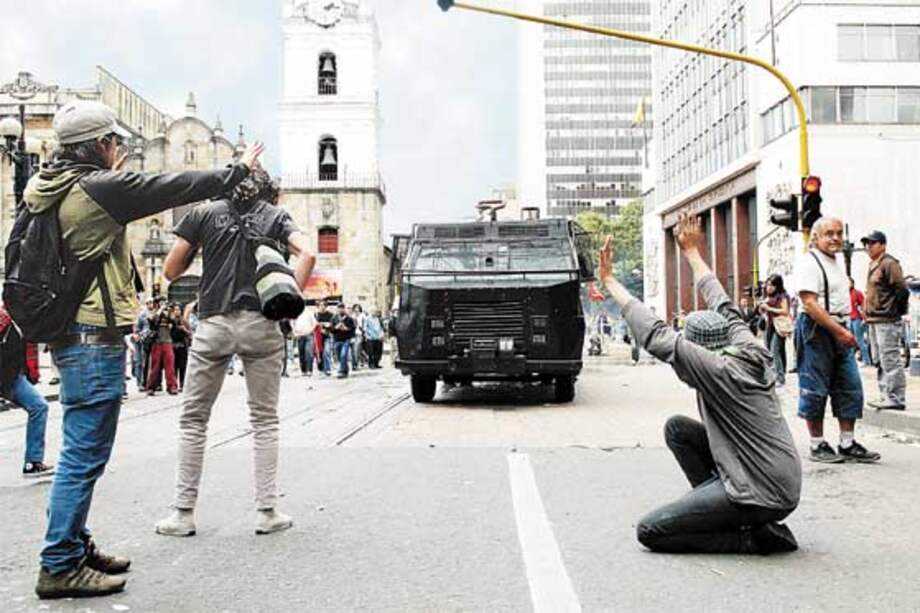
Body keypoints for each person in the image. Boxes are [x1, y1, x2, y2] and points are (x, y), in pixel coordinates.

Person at [26, 99, 262, 600]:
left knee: (81, 451)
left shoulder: (53, 184)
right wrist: (236, 171)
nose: (119, 149)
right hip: (92, 337)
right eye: (114, 141)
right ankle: (59, 563)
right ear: (99, 145)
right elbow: (170, 186)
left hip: (75, 334)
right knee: (84, 454)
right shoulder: (96, 188)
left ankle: (73, 545)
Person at [598, 214, 801, 555]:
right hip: (782, 480)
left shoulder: (715, 369)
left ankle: (750, 537)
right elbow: (723, 303)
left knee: (650, 531)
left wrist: (610, 281)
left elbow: (656, 335)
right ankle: (727, 511)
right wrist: (691, 251)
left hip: (762, 493)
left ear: (698, 348)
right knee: (677, 428)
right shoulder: (750, 348)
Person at [154, 163, 314, 539]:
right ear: (266, 190)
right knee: (264, 420)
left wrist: (202, 245)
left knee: (194, 420)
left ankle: (183, 514)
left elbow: (171, 270)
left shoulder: (204, 214)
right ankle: (267, 512)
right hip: (261, 324)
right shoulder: (276, 217)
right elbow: (308, 254)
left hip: (215, 323)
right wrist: (290, 297)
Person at [793, 217, 880, 464]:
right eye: (829, 233)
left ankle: (847, 442)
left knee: (849, 385)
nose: (835, 238)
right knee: (814, 387)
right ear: (816, 237)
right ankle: (817, 444)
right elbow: (810, 303)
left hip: (840, 326)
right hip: (817, 330)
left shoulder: (835, 262)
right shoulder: (809, 262)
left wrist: (844, 328)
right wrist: (840, 332)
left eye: (839, 233)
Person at [0, 305, 54, 479]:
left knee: (39, 406)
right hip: (6, 377)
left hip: (13, 376)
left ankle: (33, 462)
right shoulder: (4, 320)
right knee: (38, 407)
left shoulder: (22, 323)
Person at [862, 231, 908, 411]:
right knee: (879, 359)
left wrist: (893, 310)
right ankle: (885, 395)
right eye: (866, 244)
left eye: (872, 243)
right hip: (874, 319)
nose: (868, 247)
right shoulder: (873, 265)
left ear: (882, 245)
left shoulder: (889, 263)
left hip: (887, 319)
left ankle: (896, 397)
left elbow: (901, 289)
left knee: (890, 359)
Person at [759, 274, 791, 387]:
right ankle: (777, 374)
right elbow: (763, 312)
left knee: (775, 350)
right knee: (772, 350)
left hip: (779, 326)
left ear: (778, 286)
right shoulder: (767, 297)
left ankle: (780, 378)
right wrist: (762, 308)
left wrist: (769, 308)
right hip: (770, 326)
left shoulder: (782, 296)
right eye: (768, 285)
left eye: (772, 285)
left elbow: (785, 311)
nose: (769, 287)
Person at [146, 302, 178, 396]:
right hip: (157, 342)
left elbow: (175, 322)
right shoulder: (154, 313)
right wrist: (160, 311)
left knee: (170, 366)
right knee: (155, 366)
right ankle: (151, 387)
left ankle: (172, 387)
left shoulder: (168, 313)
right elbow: (152, 322)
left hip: (167, 341)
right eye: (161, 303)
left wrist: (169, 313)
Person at [848, 277, 871, 366]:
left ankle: (866, 360)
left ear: (852, 283)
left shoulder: (857, 293)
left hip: (857, 318)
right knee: (850, 340)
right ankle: (853, 361)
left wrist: (864, 319)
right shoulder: (846, 294)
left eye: (849, 282)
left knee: (859, 340)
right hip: (849, 318)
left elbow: (863, 305)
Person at [332, 303, 357, 379]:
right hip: (337, 339)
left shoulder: (349, 318)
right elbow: (331, 329)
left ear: (344, 309)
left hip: (346, 339)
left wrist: (346, 328)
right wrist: (336, 327)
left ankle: (341, 371)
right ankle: (345, 369)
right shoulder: (334, 318)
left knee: (343, 355)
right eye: (339, 308)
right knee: (339, 356)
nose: (340, 310)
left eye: (342, 308)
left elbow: (353, 329)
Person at [170, 304, 191, 392]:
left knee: (182, 366)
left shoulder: (184, 321)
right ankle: (174, 384)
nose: (177, 311)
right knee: (174, 366)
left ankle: (182, 384)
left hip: (182, 346)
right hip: (173, 346)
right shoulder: (171, 321)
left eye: (178, 310)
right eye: (175, 310)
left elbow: (190, 334)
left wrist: (184, 329)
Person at [293, 305, 315, 376]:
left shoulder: (309, 312)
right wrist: (295, 333)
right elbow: (292, 323)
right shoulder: (296, 312)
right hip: (299, 335)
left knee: (309, 352)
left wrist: (310, 331)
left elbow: (314, 323)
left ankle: (309, 370)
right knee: (301, 353)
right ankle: (303, 370)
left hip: (308, 335)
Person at [314, 301, 334, 376]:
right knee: (319, 353)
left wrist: (326, 327)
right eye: (320, 305)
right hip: (318, 336)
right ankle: (321, 369)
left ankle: (328, 369)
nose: (322, 307)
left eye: (323, 305)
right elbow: (314, 325)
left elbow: (332, 325)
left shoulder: (330, 315)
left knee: (327, 352)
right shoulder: (316, 315)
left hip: (327, 336)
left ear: (326, 306)